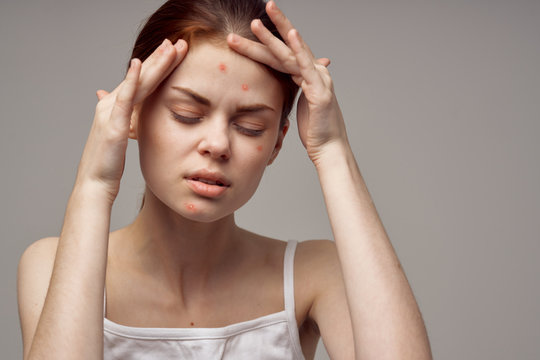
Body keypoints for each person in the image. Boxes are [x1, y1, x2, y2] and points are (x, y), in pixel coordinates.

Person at [17, 0, 432, 359]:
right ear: (134, 113)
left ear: (276, 144)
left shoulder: (315, 274)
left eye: (251, 126)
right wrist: (94, 185)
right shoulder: (50, 265)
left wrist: (332, 150)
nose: (217, 144)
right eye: (187, 115)